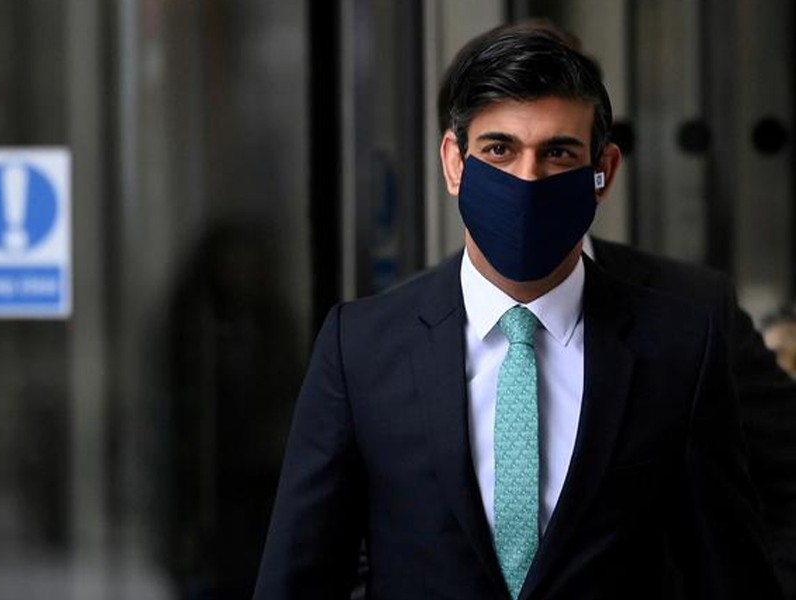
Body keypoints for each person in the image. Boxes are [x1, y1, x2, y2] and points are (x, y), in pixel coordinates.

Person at [253, 25, 781, 598]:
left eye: (558, 153)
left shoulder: (679, 348)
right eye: (499, 149)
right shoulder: (360, 347)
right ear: (455, 162)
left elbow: (732, 577)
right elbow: (299, 578)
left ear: (603, 172)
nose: (527, 179)